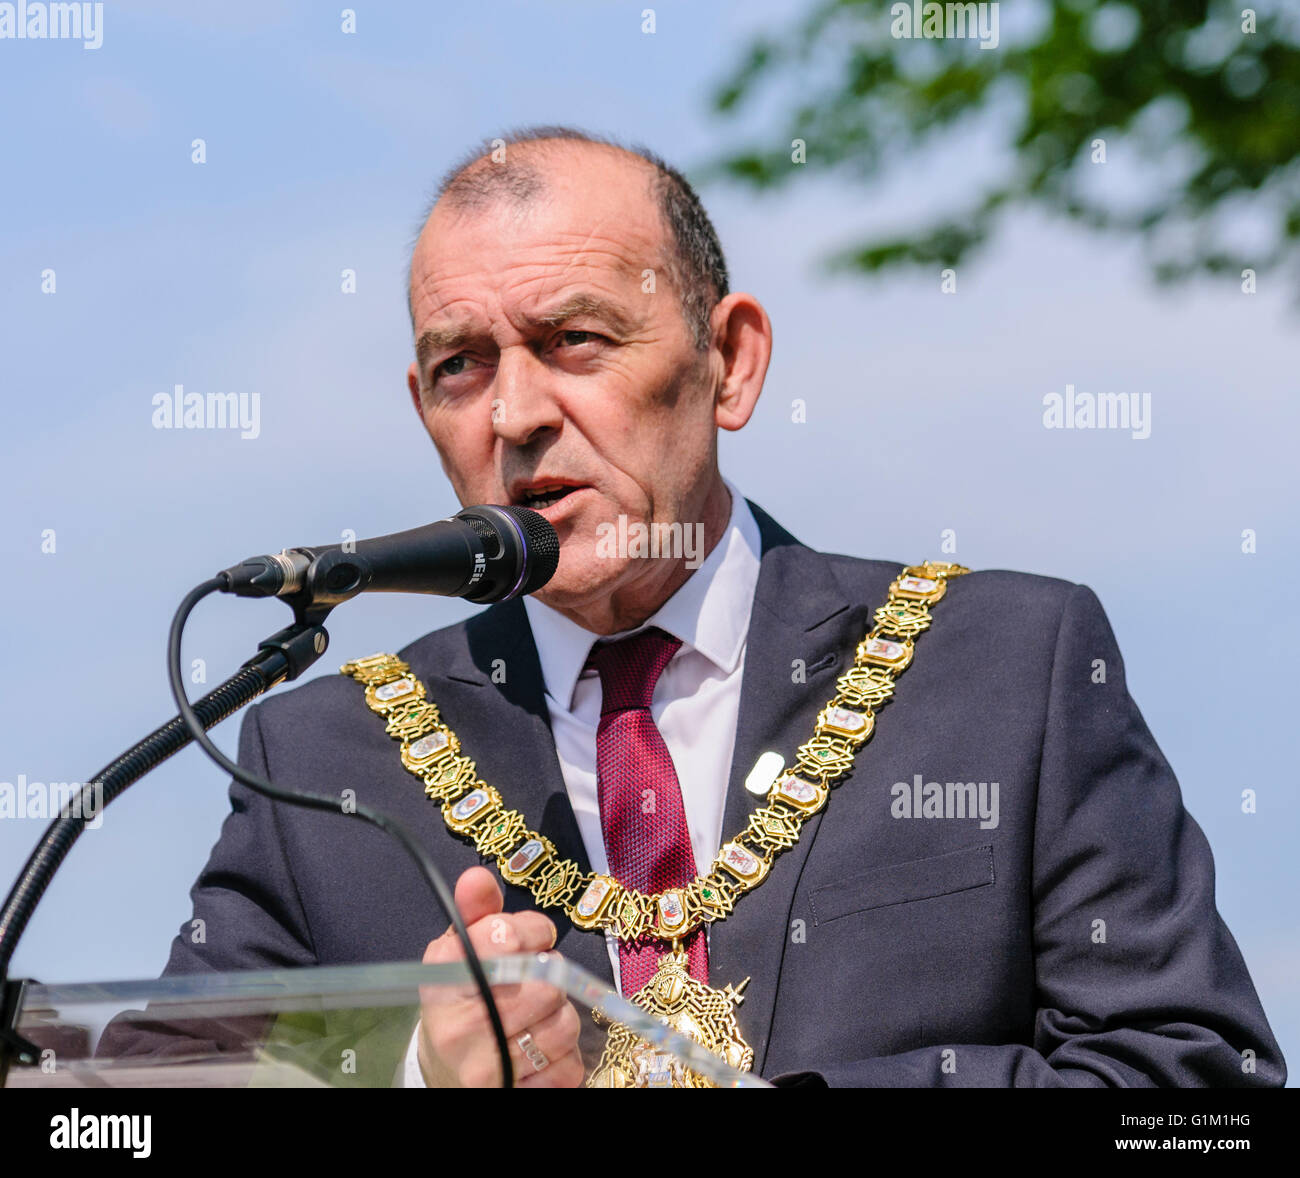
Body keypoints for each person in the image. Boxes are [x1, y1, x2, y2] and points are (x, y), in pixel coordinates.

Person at [102, 126, 1285, 1088]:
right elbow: (117, 1124)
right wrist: (406, 1071)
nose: (514, 413)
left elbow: (1194, 1090)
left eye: (574, 339)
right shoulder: (321, 757)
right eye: (462, 363)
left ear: (731, 360)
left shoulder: (1006, 667)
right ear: (423, 405)